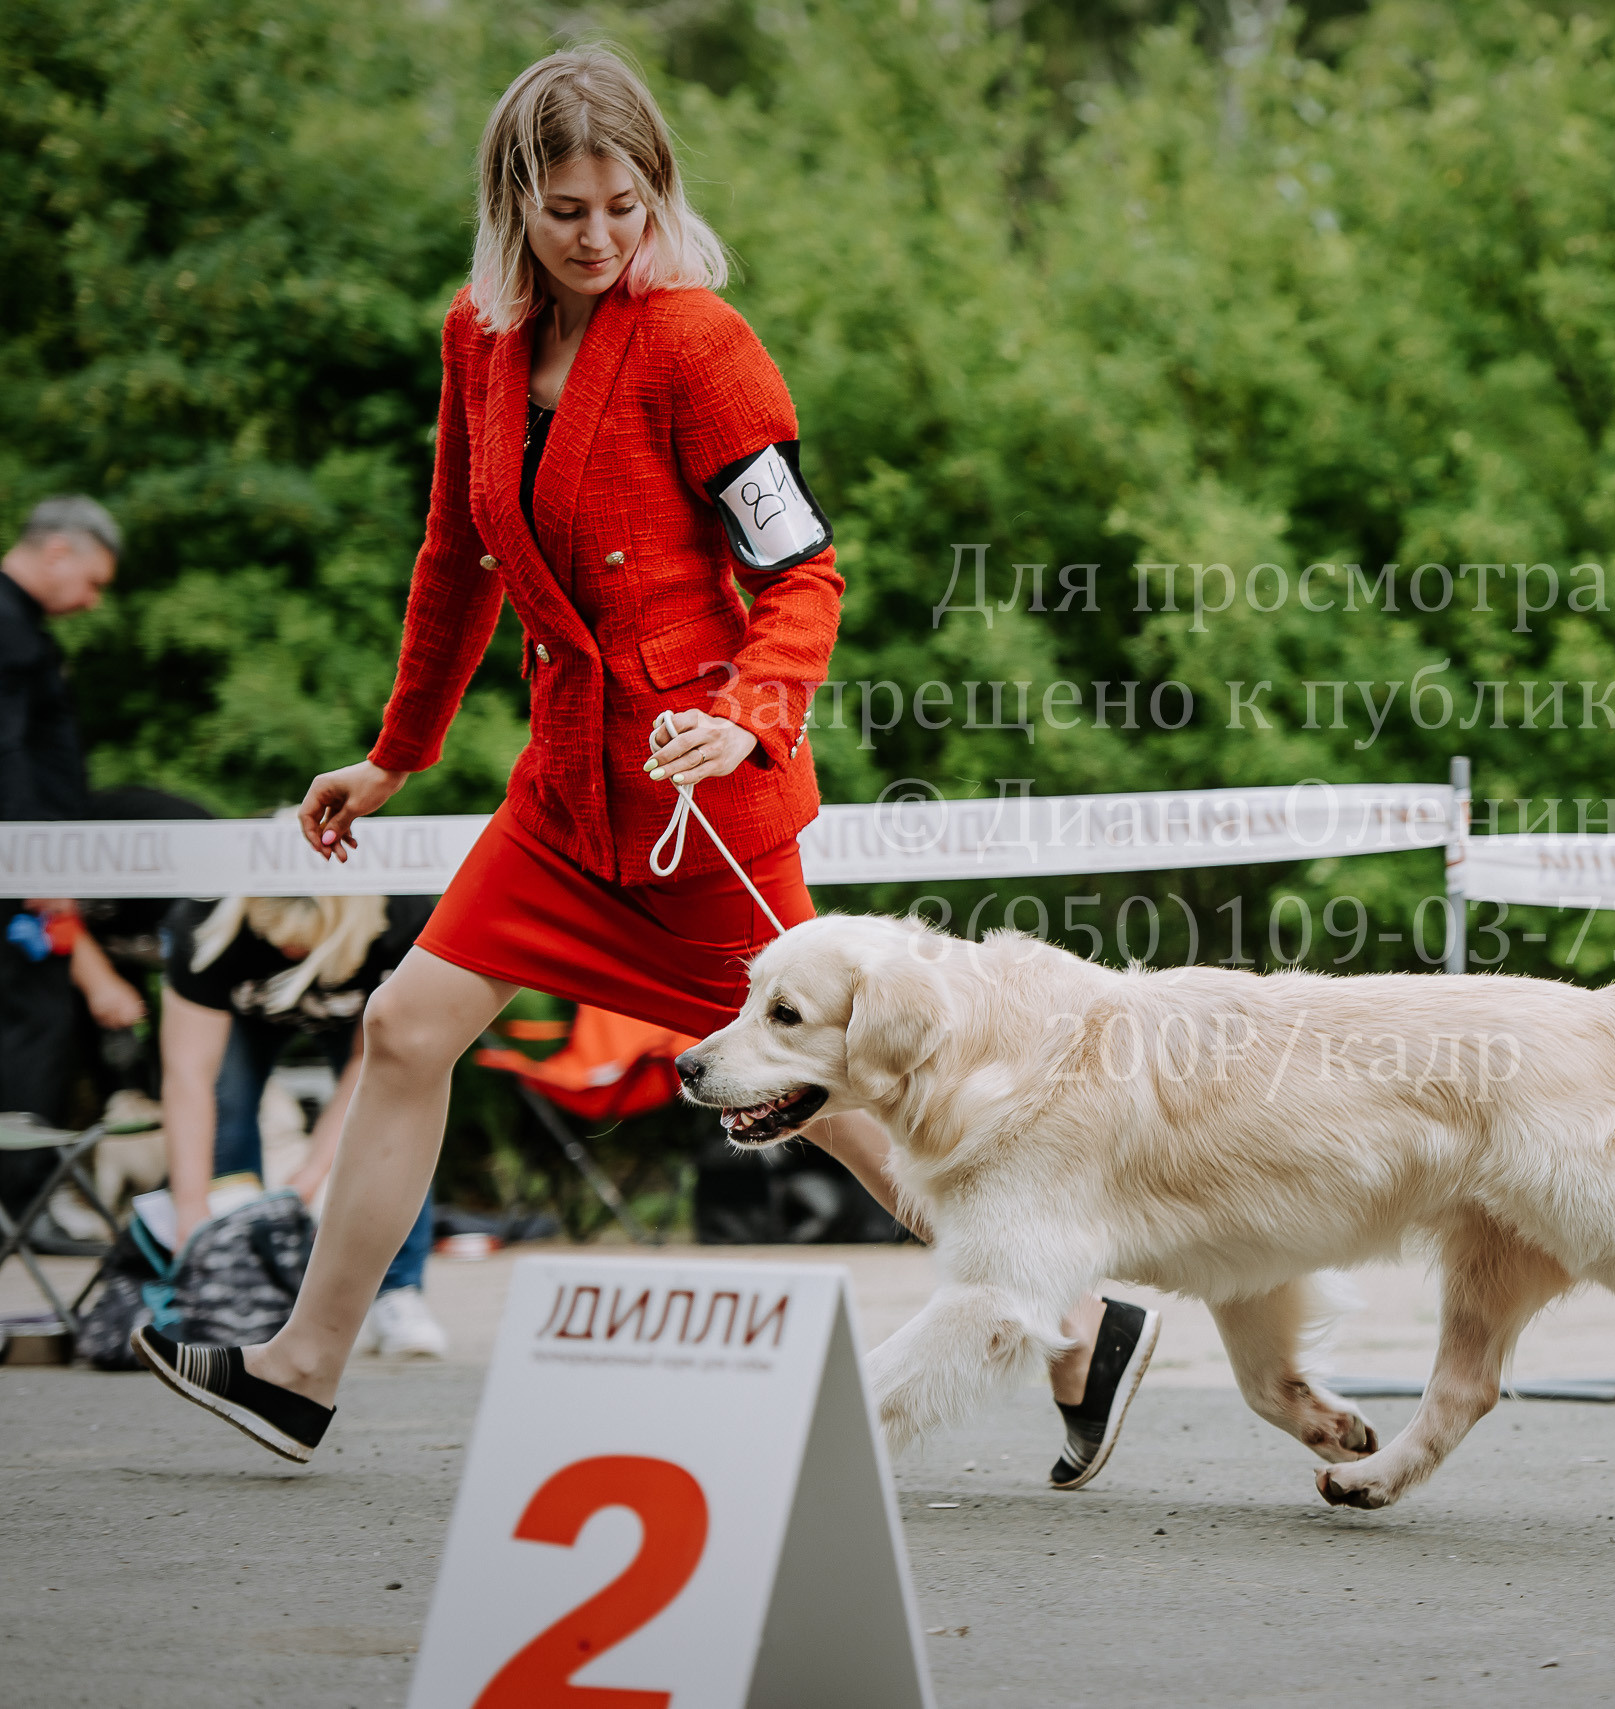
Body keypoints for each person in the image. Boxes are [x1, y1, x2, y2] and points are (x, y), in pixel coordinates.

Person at [132, 50, 1157, 1483]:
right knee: (406, 1029)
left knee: (853, 1109)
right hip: (560, 800)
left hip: (698, 811)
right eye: (566, 210)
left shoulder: (700, 346)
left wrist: (745, 707)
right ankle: (301, 1371)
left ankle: (1076, 1323)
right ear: (512, 205)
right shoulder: (475, 346)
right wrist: (394, 754)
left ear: (656, 192)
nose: (600, 236)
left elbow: (806, 575)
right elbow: (453, 562)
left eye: (625, 203)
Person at [160, 891, 448, 1357]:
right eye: (275, 938)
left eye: (302, 942)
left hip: (356, 1009)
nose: (288, 949)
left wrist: (311, 1176)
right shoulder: (203, 919)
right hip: (246, 1011)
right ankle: (235, 1282)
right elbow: (188, 1078)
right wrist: (189, 1215)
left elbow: (375, 1070)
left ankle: (398, 1292)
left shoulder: (402, 918)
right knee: (227, 1105)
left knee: (404, 1114)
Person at [1, 497, 147, 1213]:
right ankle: (21, 1205)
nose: (92, 602)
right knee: (39, 1022)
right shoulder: (7, 627)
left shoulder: (20, 627)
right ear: (57, 551)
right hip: (22, 862)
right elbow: (6, 754)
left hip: (31, 854)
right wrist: (36, 864)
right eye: (93, 582)